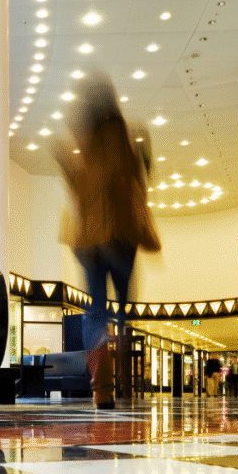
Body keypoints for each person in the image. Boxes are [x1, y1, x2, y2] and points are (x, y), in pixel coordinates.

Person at [53, 71, 161, 410]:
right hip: (121, 237)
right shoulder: (123, 140)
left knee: (95, 311)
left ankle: (102, 389)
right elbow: (136, 185)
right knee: (123, 310)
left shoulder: (87, 143)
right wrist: (144, 158)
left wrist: (66, 164)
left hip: (88, 239)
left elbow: (80, 187)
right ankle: (125, 377)